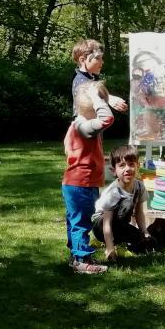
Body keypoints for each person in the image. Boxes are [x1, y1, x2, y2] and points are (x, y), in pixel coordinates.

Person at [62, 81, 115, 274]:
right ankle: (81, 260)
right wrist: (95, 97)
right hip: (82, 183)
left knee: (75, 220)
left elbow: (70, 150)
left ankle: (76, 256)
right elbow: (107, 119)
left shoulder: (76, 124)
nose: (104, 106)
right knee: (82, 222)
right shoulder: (84, 127)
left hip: (75, 183)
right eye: (102, 103)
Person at [92, 144, 154, 261]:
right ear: (114, 171)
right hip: (101, 225)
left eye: (131, 164)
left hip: (121, 226)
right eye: (122, 165)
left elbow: (139, 212)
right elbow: (107, 222)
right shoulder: (114, 192)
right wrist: (110, 248)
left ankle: (119, 242)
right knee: (126, 202)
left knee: (147, 243)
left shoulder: (139, 186)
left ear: (138, 166)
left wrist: (144, 231)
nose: (127, 169)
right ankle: (109, 242)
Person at [71, 38, 127, 112]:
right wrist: (109, 98)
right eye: (97, 58)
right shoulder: (80, 81)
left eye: (101, 58)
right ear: (82, 60)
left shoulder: (91, 76)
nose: (102, 62)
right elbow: (88, 90)